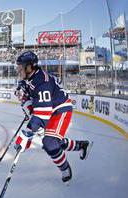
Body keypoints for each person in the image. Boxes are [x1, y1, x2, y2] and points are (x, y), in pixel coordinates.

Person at [13, 51, 92, 183]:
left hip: (60, 109)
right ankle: (81, 145)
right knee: (52, 143)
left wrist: (28, 131)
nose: (19, 70)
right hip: (50, 109)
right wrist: (22, 90)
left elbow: (43, 113)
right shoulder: (31, 77)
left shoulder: (41, 82)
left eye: (21, 67)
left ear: (30, 67)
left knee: (49, 143)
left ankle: (65, 168)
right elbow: (27, 90)